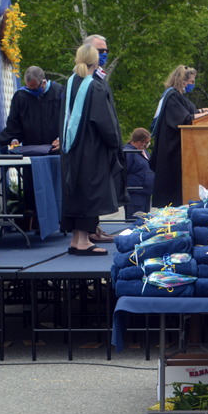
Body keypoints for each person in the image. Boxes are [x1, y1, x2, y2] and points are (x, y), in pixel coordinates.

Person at [59, 44, 126, 256]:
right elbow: (105, 122)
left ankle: (77, 239)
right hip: (91, 150)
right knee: (89, 192)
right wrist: (115, 143)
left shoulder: (70, 82)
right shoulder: (94, 86)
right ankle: (84, 242)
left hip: (71, 150)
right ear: (95, 62)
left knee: (76, 192)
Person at [0, 66, 64, 221]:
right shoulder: (21, 96)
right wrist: (13, 140)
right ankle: (35, 221)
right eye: (29, 89)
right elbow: (14, 124)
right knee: (31, 187)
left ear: (44, 83)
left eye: (35, 89)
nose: (32, 92)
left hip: (54, 150)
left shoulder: (59, 92)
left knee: (55, 185)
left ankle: (59, 220)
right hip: (32, 152)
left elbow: (68, 120)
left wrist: (62, 138)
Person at [82, 34, 129, 241]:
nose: (105, 54)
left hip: (97, 146)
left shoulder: (96, 80)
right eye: (101, 51)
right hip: (92, 146)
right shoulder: (88, 83)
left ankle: (94, 228)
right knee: (92, 189)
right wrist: (113, 141)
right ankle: (90, 231)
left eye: (106, 50)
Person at [149, 65, 208, 208]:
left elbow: (191, 111)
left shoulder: (178, 96)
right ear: (182, 81)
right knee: (173, 190)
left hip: (181, 147)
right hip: (172, 149)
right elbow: (185, 118)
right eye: (191, 81)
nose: (193, 84)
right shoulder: (172, 96)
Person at [123, 128, 154, 218]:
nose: (147, 145)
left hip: (146, 192)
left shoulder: (144, 152)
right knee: (135, 222)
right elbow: (124, 172)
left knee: (144, 221)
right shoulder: (129, 152)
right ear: (139, 142)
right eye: (146, 142)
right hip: (135, 194)